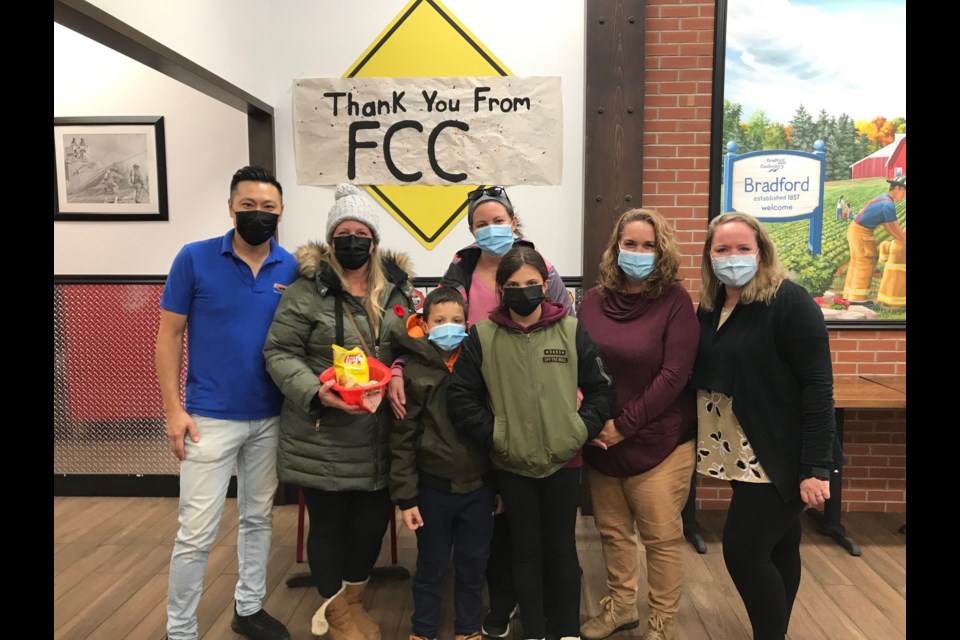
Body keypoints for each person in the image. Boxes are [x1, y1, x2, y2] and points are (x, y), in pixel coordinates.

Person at [386, 185, 573, 639]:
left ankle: (541, 609)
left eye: (499, 220)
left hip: (533, 408)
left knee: (524, 521)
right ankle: (499, 601)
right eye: (481, 223)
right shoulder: (458, 275)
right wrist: (396, 368)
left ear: (514, 222)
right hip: (474, 410)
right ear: (471, 230)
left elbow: (568, 334)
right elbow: (422, 335)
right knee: (491, 522)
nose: (492, 229)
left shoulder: (540, 270)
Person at [263, 183, 416, 640]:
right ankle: (337, 614)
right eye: (343, 233)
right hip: (322, 433)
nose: (353, 241)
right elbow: (279, 352)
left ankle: (349, 603)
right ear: (332, 239)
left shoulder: (396, 291)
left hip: (379, 436)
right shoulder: (305, 291)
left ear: (374, 239)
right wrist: (315, 391)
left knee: (370, 527)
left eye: (361, 232)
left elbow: (414, 340)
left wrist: (402, 369)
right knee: (329, 526)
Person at [156, 165, 298, 640]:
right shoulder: (193, 259)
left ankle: (249, 607)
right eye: (249, 206)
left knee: (258, 518)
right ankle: (180, 630)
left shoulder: (293, 268)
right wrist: (173, 409)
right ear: (231, 207)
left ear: (281, 213)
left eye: (269, 208)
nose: (259, 215)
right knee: (195, 532)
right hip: (208, 418)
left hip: (272, 416)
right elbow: (169, 336)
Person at [447, 245, 617, 640]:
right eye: (512, 285)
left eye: (531, 283)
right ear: (500, 289)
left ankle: (566, 630)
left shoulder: (571, 331)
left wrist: (578, 431)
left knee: (561, 549)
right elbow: (460, 397)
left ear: (545, 285)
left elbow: (601, 389)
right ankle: (536, 630)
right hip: (512, 463)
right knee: (524, 550)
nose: (523, 291)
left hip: (564, 461)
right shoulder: (482, 337)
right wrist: (497, 436)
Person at [691, 212, 843, 640]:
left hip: (782, 454)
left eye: (742, 248)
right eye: (722, 250)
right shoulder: (711, 306)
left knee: (743, 552)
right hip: (739, 450)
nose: (732, 257)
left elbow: (818, 387)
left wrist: (815, 467)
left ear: (762, 252)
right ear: (709, 257)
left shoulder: (788, 301)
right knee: (780, 544)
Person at [577, 209, 699, 640]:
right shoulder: (591, 300)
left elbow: (674, 375)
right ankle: (621, 608)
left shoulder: (675, 302)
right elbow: (579, 362)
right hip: (602, 440)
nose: (639, 252)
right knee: (612, 533)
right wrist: (592, 421)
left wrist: (623, 426)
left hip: (658, 439)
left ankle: (661, 623)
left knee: (661, 538)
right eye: (631, 244)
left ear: (661, 250)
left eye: (649, 245)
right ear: (616, 248)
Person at [389, 287, 494, 640]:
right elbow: (402, 440)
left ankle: (468, 629)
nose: (449, 327)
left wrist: (499, 486)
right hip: (432, 489)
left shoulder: (480, 364)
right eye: (439, 321)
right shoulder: (414, 369)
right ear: (424, 323)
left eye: (456, 321)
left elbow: (497, 430)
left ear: (468, 323)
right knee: (431, 565)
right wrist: (407, 498)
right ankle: (423, 630)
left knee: (472, 566)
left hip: (479, 488)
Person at [842, 175, 907, 304]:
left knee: (857, 260)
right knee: (866, 259)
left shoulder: (884, 199)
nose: (904, 196)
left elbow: (887, 225)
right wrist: (903, 239)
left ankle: (849, 295)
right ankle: (857, 299)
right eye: (904, 192)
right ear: (898, 188)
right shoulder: (888, 204)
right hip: (861, 231)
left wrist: (899, 237)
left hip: (856, 229)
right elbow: (893, 225)